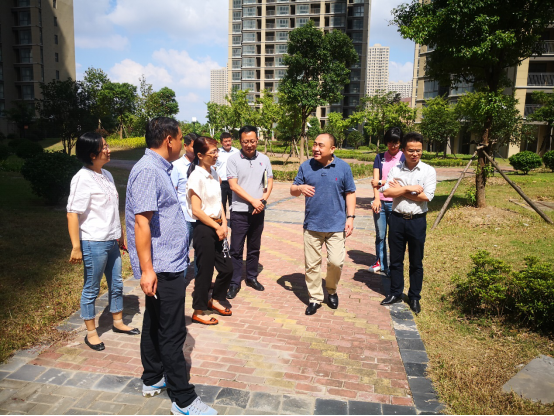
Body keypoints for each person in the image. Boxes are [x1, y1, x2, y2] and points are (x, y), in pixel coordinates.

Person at [125, 117, 216, 415]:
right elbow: (142, 222)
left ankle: (153, 377)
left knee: (154, 321)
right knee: (173, 331)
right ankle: (183, 399)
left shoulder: (159, 168)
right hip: (162, 267)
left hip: (167, 263)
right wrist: (147, 270)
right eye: (180, 138)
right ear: (169, 140)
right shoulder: (149, 170)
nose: (183, 143)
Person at [67, 132, 140, 352]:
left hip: (111, 240)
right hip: (93, 242)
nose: (108, 150)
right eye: (104, 147)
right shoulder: (82, 178)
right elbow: (72, 213)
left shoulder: (106, 174)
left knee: (117, 283)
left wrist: (120, 234)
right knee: (92, 287)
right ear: (92, 154)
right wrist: (76, 246)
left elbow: (112, 208)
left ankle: (118, 321)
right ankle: (91, 333)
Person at [290, 133, 356, 315]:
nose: (316, 148)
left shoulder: (343, 167)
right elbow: (293, 190)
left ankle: (332, 290)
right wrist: (300, 188)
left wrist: (350, 217)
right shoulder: (306, 166)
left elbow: (350, 193)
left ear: (332, 149)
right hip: (312, 225)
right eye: (314, 144)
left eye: (321, 145)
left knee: (336, 262)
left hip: (336, 225)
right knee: (312, 265)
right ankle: (315, 298)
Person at [379, 132, 437, 315]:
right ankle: (396, 292)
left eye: (418, 150)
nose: (415, 154)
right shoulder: (396, 169)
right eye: (411, 150)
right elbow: (386, 192)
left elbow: (426, 196)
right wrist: (409, 189)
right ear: (403, 150)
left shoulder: (428, 171)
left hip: (417, 221)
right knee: (396, 260)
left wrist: (400, 190)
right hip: (396, 219)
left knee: (416, 261)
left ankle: (414, 296)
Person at [186, 136, 234, 325]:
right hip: (204, 229)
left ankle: (215, 299)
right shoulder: (196, 177)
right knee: (205, 272)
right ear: (200, 155)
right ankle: (198, 310)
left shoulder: (213, 173)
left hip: (218, 225)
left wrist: (224, 223)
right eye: (212, 152)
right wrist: (216, 226)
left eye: (216, 151)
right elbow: (196, 210)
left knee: (227, 268)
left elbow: (219, 202)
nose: (216, 155)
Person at [226, 125, 274, 299]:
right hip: (239, 211)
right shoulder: (233, 159)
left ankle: (252, 277)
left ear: (257, 140)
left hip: (258, 211)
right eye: (245, 141)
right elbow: (233, 186)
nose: (249, 145)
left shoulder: (264, 159)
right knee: (236, 249)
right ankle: (234, 282)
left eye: (252, 141)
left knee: (254, 247)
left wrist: (263, 200)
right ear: (240, 141)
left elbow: (269, 182)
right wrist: (253, 201)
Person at [369, 127, 406, 275]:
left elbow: (401, 181)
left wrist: (381, 182)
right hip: (381, 202)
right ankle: (383, 265)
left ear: (400, 142)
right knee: (380, 235)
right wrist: (376, 198)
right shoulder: (379, 157)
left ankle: (394, 266)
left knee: (395, 236)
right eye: (390, 142)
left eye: (396, 142)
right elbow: (374, 181)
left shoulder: (404, 157)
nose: (393, 145)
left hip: (396, 202)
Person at [171, 133, 198, 240]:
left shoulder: (203, 164)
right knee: (184, 245)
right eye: (194, 147)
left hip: (202, 215)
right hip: (185, 216)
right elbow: (173, 191)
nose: (197, 150)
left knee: (201, 247)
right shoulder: (176, 166)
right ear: (185, 146)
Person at [215, 132, 239, 215]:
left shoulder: (236, 152)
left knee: (234, 203)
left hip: (234, 181)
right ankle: (222, 220)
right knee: (221, 203)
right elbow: (213, 167)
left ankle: (234, 220)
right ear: (221, 142)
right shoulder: (217, 153)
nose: (228, 143)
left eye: (229, 141)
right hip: (222, 182)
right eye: (225, 141)